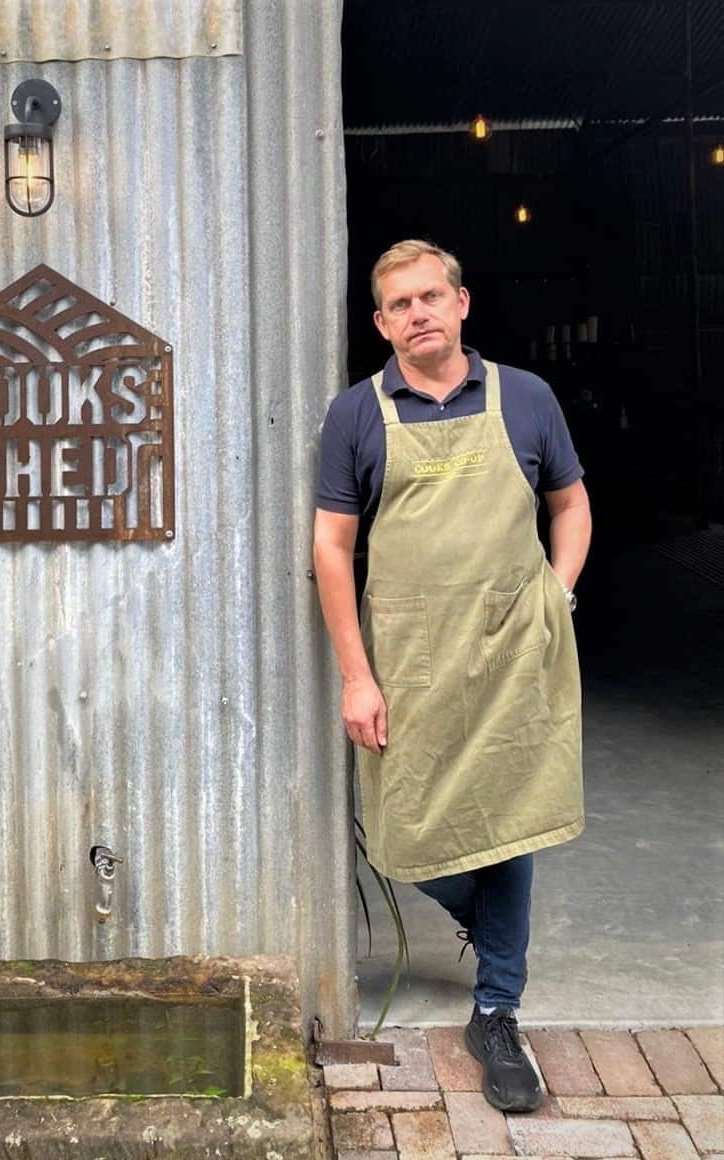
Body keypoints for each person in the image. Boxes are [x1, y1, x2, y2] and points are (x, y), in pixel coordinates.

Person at [313, 239, 591, 1113]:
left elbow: (570, 502)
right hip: (411, 662)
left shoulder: (526, 398)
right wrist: (356, 677)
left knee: (509, 823)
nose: (417, 313)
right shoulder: (356, 415)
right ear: (380, 323)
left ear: (461, 303)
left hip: (513, 656)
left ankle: (496, 1010)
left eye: (431, 296)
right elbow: (331, 546)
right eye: (399, 304)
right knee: (402, 833)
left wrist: (557, 591)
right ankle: (488, 928)